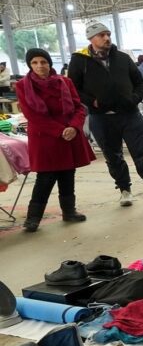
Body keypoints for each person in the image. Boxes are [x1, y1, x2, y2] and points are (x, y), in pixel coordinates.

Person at [68, 21, 143, 206]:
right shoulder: (79, 61)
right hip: (101, 118)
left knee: (141, 154)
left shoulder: (122, 58)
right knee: (112, 156)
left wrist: (134, 99)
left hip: (129, 115)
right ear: (91, 38)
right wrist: (92, 101)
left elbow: (141, 83)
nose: (106, 38)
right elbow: (73, 88)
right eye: (101, 35)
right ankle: (124, 190)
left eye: (108, 34)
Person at [13, 48, 95, 232]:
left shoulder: (65, 82)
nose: (40, 66)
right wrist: (60, 131)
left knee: (67, 174)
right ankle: (33, 218)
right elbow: (32, 115)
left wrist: (74, 127)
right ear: (29, 65)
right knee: (45, 178)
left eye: (43, 61)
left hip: (69, 135)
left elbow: (79, 108)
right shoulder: (22, 86)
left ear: (49, 63)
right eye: (34, 62)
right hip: (45, 137)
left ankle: (69, 211)